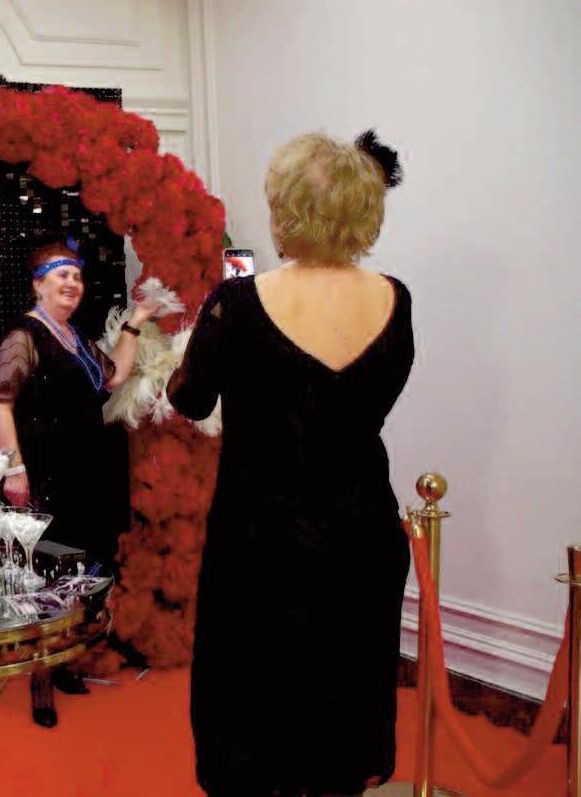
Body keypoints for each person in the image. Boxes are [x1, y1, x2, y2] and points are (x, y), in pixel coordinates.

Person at [168, 130, 412, 796]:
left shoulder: (236, 303)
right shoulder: (396, 298)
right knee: (342, 705)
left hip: (260, 539)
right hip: (361, 533)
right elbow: (367, 401)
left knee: (254, 714)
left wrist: (203, 344)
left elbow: (190, 399)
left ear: (288, 212)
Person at [0, 241, 161, 728]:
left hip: (86, 472)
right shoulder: (25, 335)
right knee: (48, 577)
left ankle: (64, 664)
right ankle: (41, 682)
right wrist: (14, 469)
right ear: (38, 283)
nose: (72, 283)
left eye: (77, 277)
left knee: (81, 572)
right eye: (60, 275)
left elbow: (114, 376)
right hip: (46, 473)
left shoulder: (74, 337)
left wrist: (135, 321)